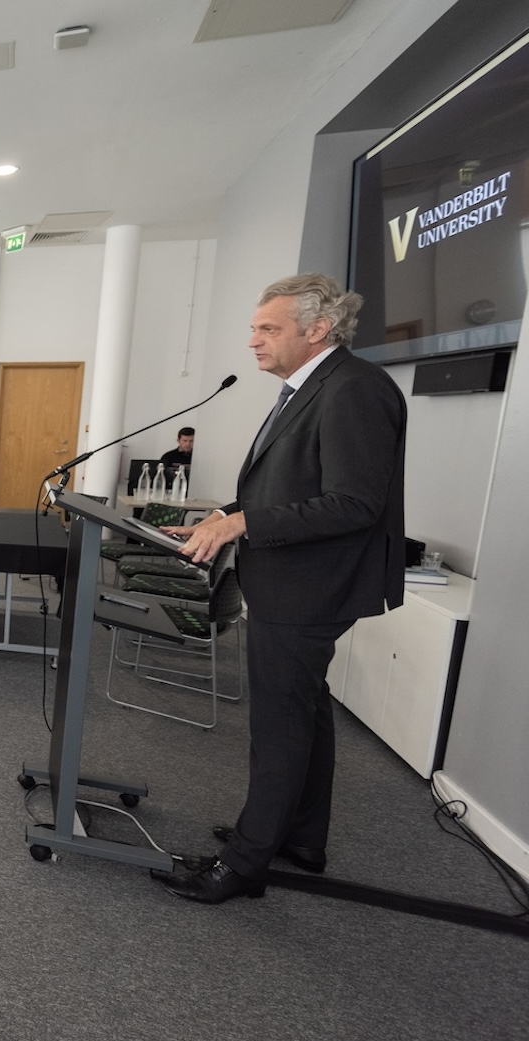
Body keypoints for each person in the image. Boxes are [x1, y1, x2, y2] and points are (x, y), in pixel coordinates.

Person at [154, 273, 406, 904]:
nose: (254, 341)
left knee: (280, 727)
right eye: (254, 328)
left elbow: (353, 503)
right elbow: (289, 485)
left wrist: (243, 521)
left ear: (316, 329)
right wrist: (227, 513)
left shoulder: (352, 390)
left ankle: (245, 864)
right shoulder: (312, 388)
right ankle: (297, 836)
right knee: (306, 712)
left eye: (268, 329)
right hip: (291, 580)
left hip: (308, 587)